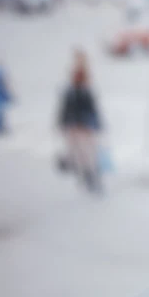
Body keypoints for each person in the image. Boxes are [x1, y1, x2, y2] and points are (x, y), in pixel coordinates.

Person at [58, 49, 103, 194]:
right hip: (73, 126)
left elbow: (92, 109)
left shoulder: (85, 91)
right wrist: (63, 122)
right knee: (76, 152)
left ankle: (91, 176)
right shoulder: (70, 91)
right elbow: (64, 108)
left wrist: (94, 123)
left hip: (84, 127)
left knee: (87, 153)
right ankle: (82, 173)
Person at [0, 60, 13, 134]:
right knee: (0, 113)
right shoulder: (0, 71)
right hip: (0, 96)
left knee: (1, 113)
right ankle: (0, 127)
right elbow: (4, 84)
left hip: (0, 96)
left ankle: (1, 127)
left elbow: (4, 85)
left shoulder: (0, 71)